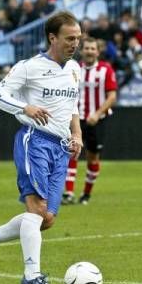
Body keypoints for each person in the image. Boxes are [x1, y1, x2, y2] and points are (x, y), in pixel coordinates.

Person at [0, 11, 83, 284]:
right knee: (36, 210)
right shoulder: (30, 67)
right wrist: (25, 108)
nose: (75, 44)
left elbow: (72, 107)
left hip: (60, 148)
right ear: (52, 38)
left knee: (46, 219)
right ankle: (32, 277)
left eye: (78, 39)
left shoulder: (74, 70)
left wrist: (77, 135)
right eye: (70, 39)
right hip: (34, 141)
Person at [62, 37, 116, 205]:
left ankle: (86, 194)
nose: (90, 51)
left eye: (93, 49)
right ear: (82, 51)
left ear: (97, 52)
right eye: (87, 48)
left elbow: (112, 96)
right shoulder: (74, 69)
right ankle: (68, 193)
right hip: (77, 118)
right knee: (72, 152)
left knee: (93, 157)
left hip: (97, 121)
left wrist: (98, 113)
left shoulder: (106, 69)